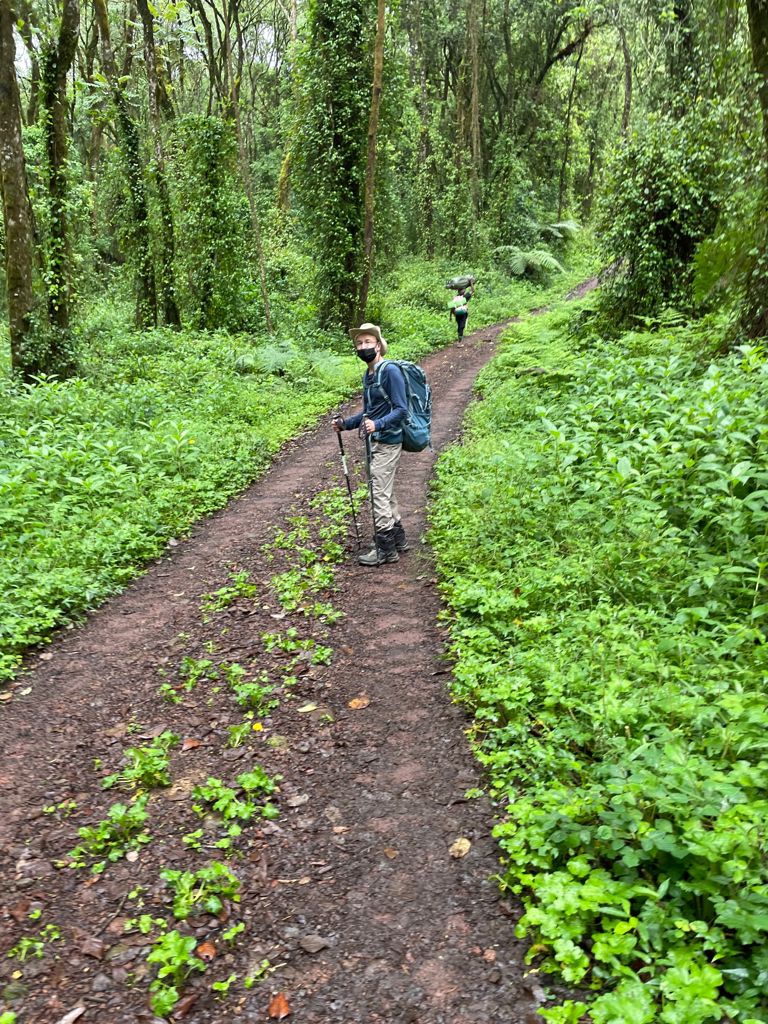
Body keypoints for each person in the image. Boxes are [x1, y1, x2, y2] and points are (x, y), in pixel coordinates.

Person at [333, 323, 409, 566]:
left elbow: (401, 410)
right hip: (376, 441)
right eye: (359, 343)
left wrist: (378, 425)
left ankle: (385, 549)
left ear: (378, 345)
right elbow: (369, 412)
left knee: (378, 490)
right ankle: (398, 538)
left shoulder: (390, 371)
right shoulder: (369, 374)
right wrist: (346, 424)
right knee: (384, 489)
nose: (362, 346)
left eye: (367, 342)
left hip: (389, 440)